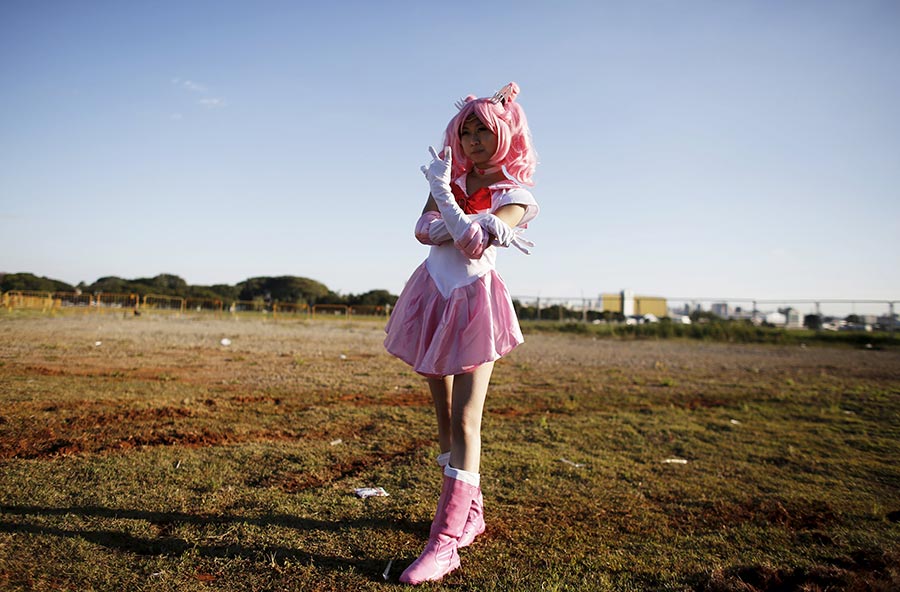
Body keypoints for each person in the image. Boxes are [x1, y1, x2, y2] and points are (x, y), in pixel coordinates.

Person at [383, 82, 539, 585]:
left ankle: (444, 544)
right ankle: (471, 514)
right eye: (466, 129)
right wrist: (450, 208)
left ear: (505, 135)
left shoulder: (515, 195)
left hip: (474, 303)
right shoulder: (448, 177)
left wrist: (447, 205)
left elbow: (472, 244)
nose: (472, 138)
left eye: (483, 130)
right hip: (431, 293)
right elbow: (421, 230)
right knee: (445, 418)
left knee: (468, 420)